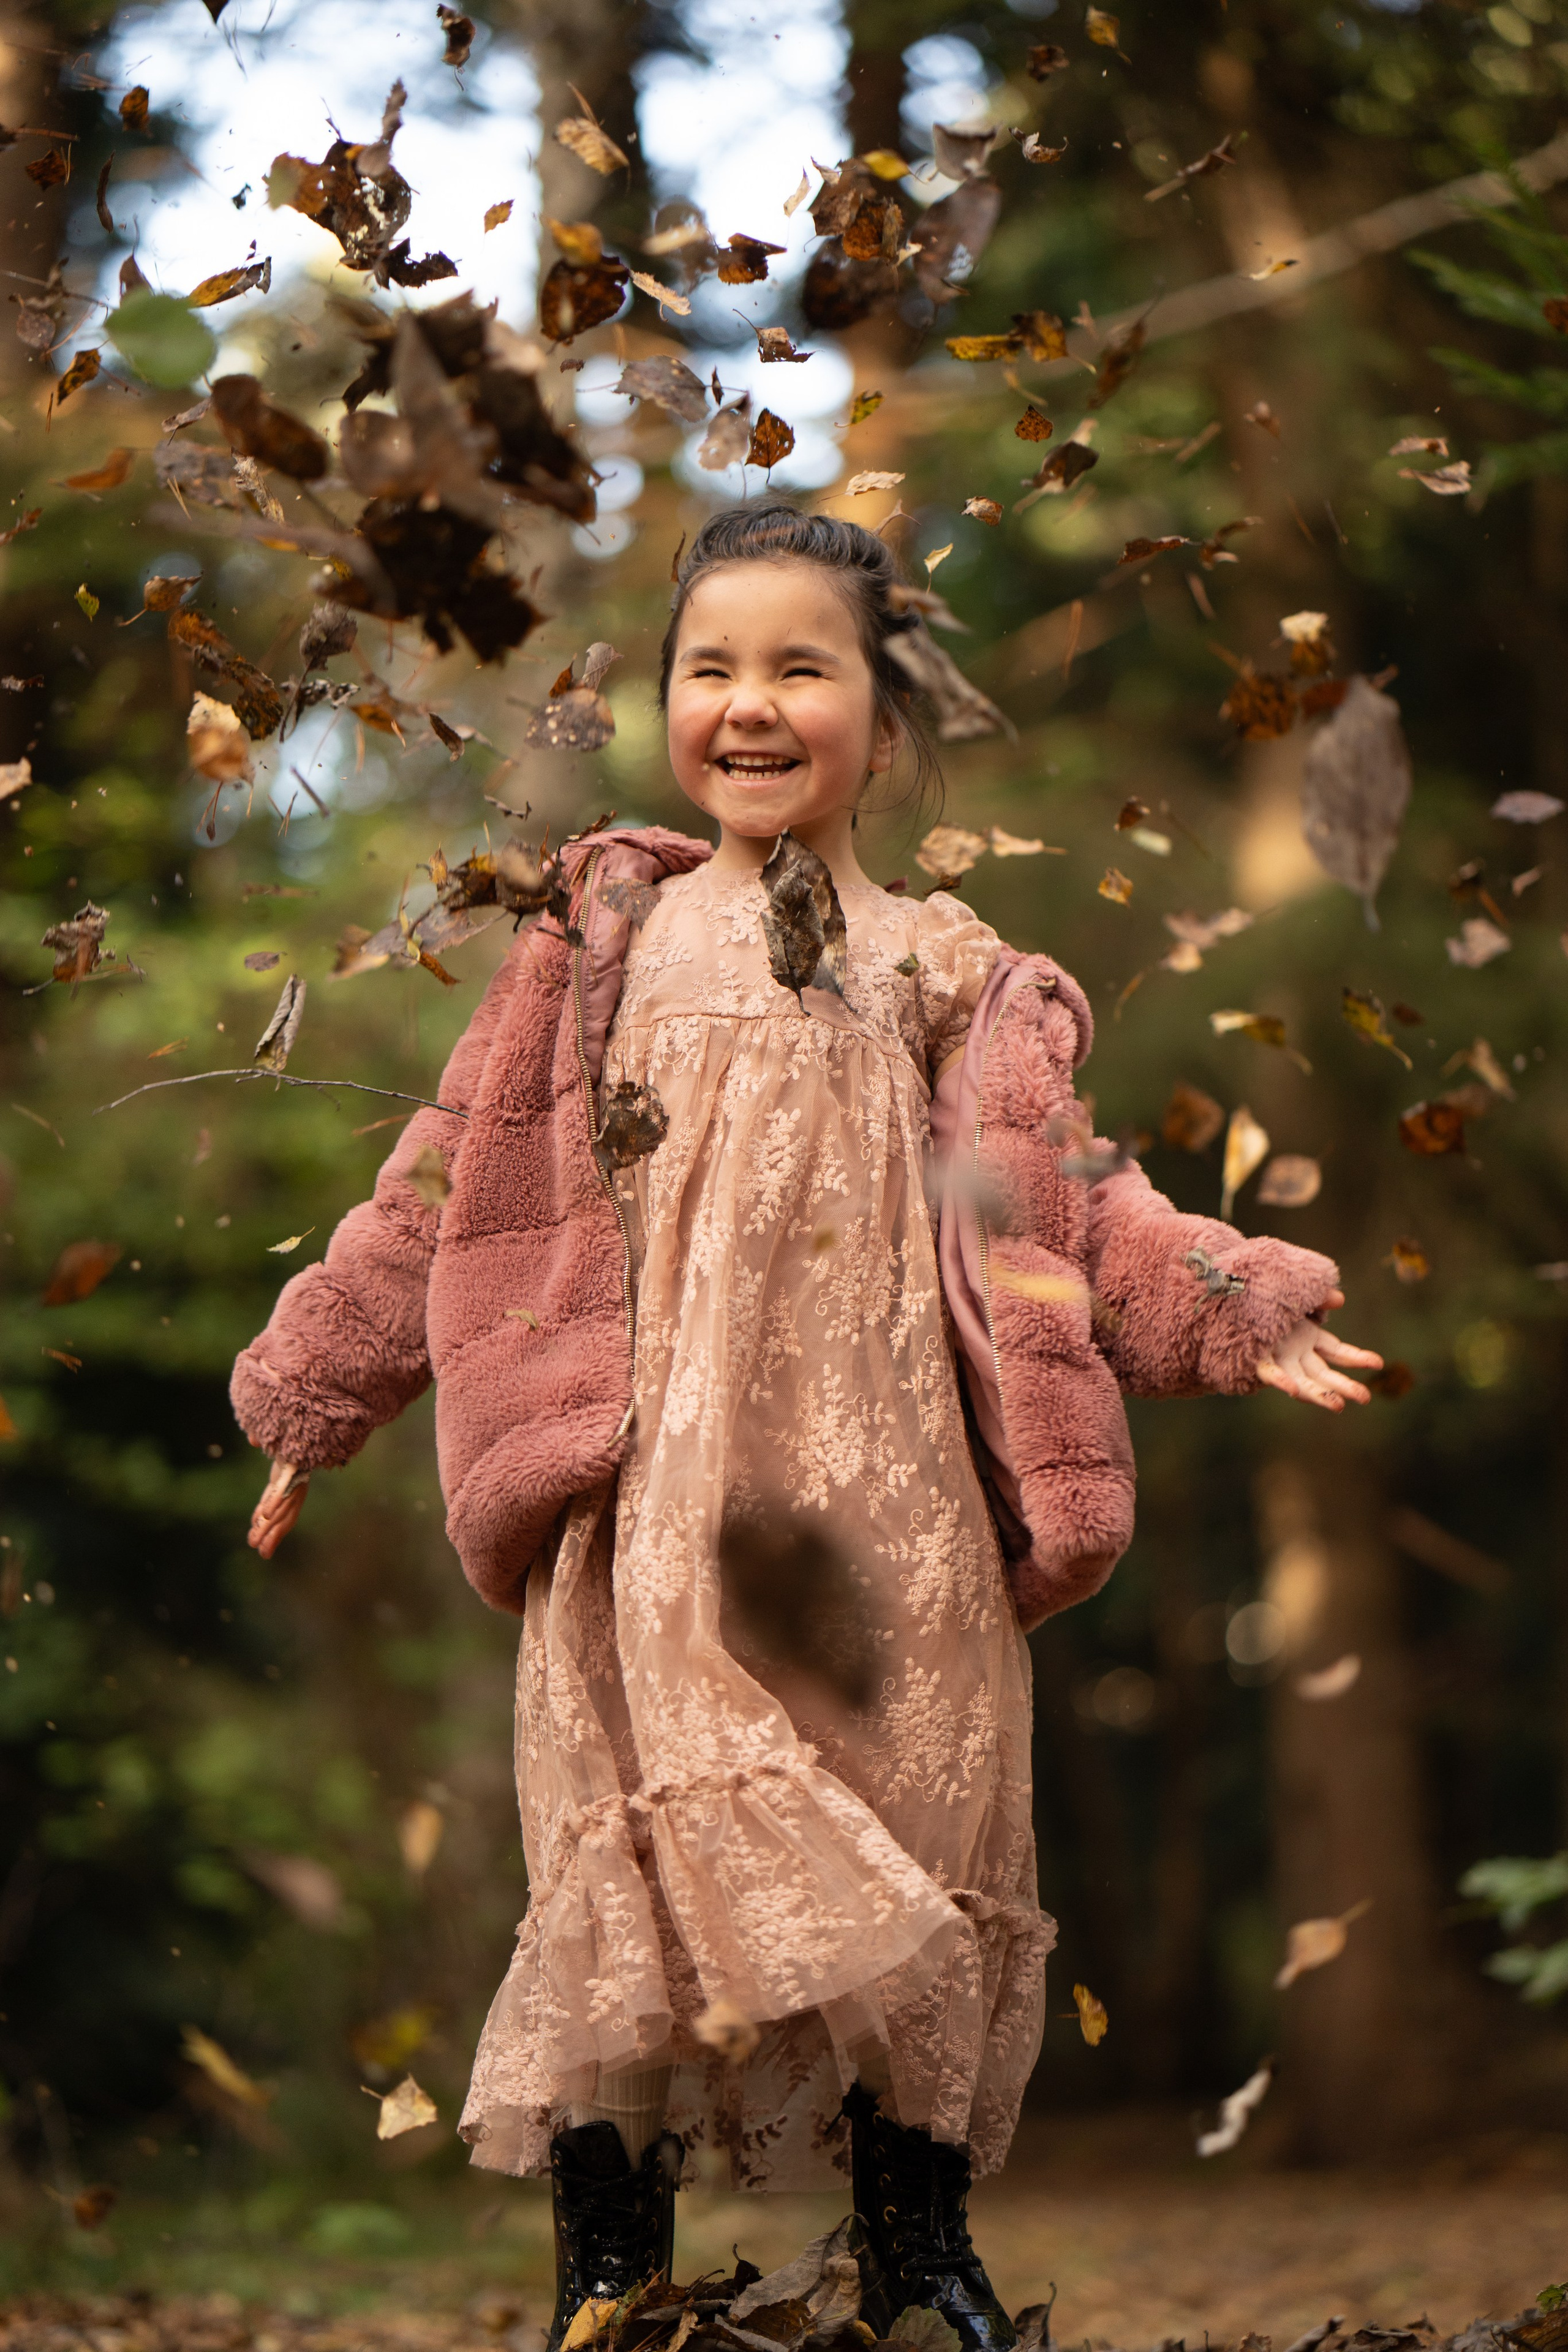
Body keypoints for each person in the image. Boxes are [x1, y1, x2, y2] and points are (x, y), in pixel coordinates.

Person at [233, 503, 1381, 2352]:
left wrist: (1239, 1304)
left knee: (914, 1841)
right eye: (711, 669)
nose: (750, 707)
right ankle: (612, 2279)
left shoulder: (945, 969)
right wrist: (323, 1385)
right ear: (666, 702)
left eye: (800, 668)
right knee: (645, 1851)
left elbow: (1074, 1208)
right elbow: (448, 1191)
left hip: (888, 1515)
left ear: (889, 713)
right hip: (656, 1497)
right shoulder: (594, 939)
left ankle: (917, 2253)